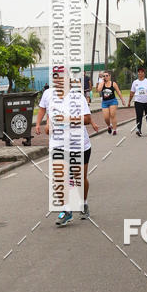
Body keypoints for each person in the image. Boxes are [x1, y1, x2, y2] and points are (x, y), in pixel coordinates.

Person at [44, 72, 98, 225]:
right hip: (58, 144)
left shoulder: (77, 97)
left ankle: (84, 203)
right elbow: (50, 118)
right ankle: (66, 210)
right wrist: (48, 125)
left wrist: (67, 119)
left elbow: (87, 119)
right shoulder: (51, 98)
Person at [128, 66, 147, 136]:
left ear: (144, 73)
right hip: (138, 102)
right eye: (139, 72)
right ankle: (138, 130)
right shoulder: (135, 82)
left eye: (141, 72)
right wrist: (129, 101)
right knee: (139, 116)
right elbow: (132, 92)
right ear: (138, 73)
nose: (140, 73)